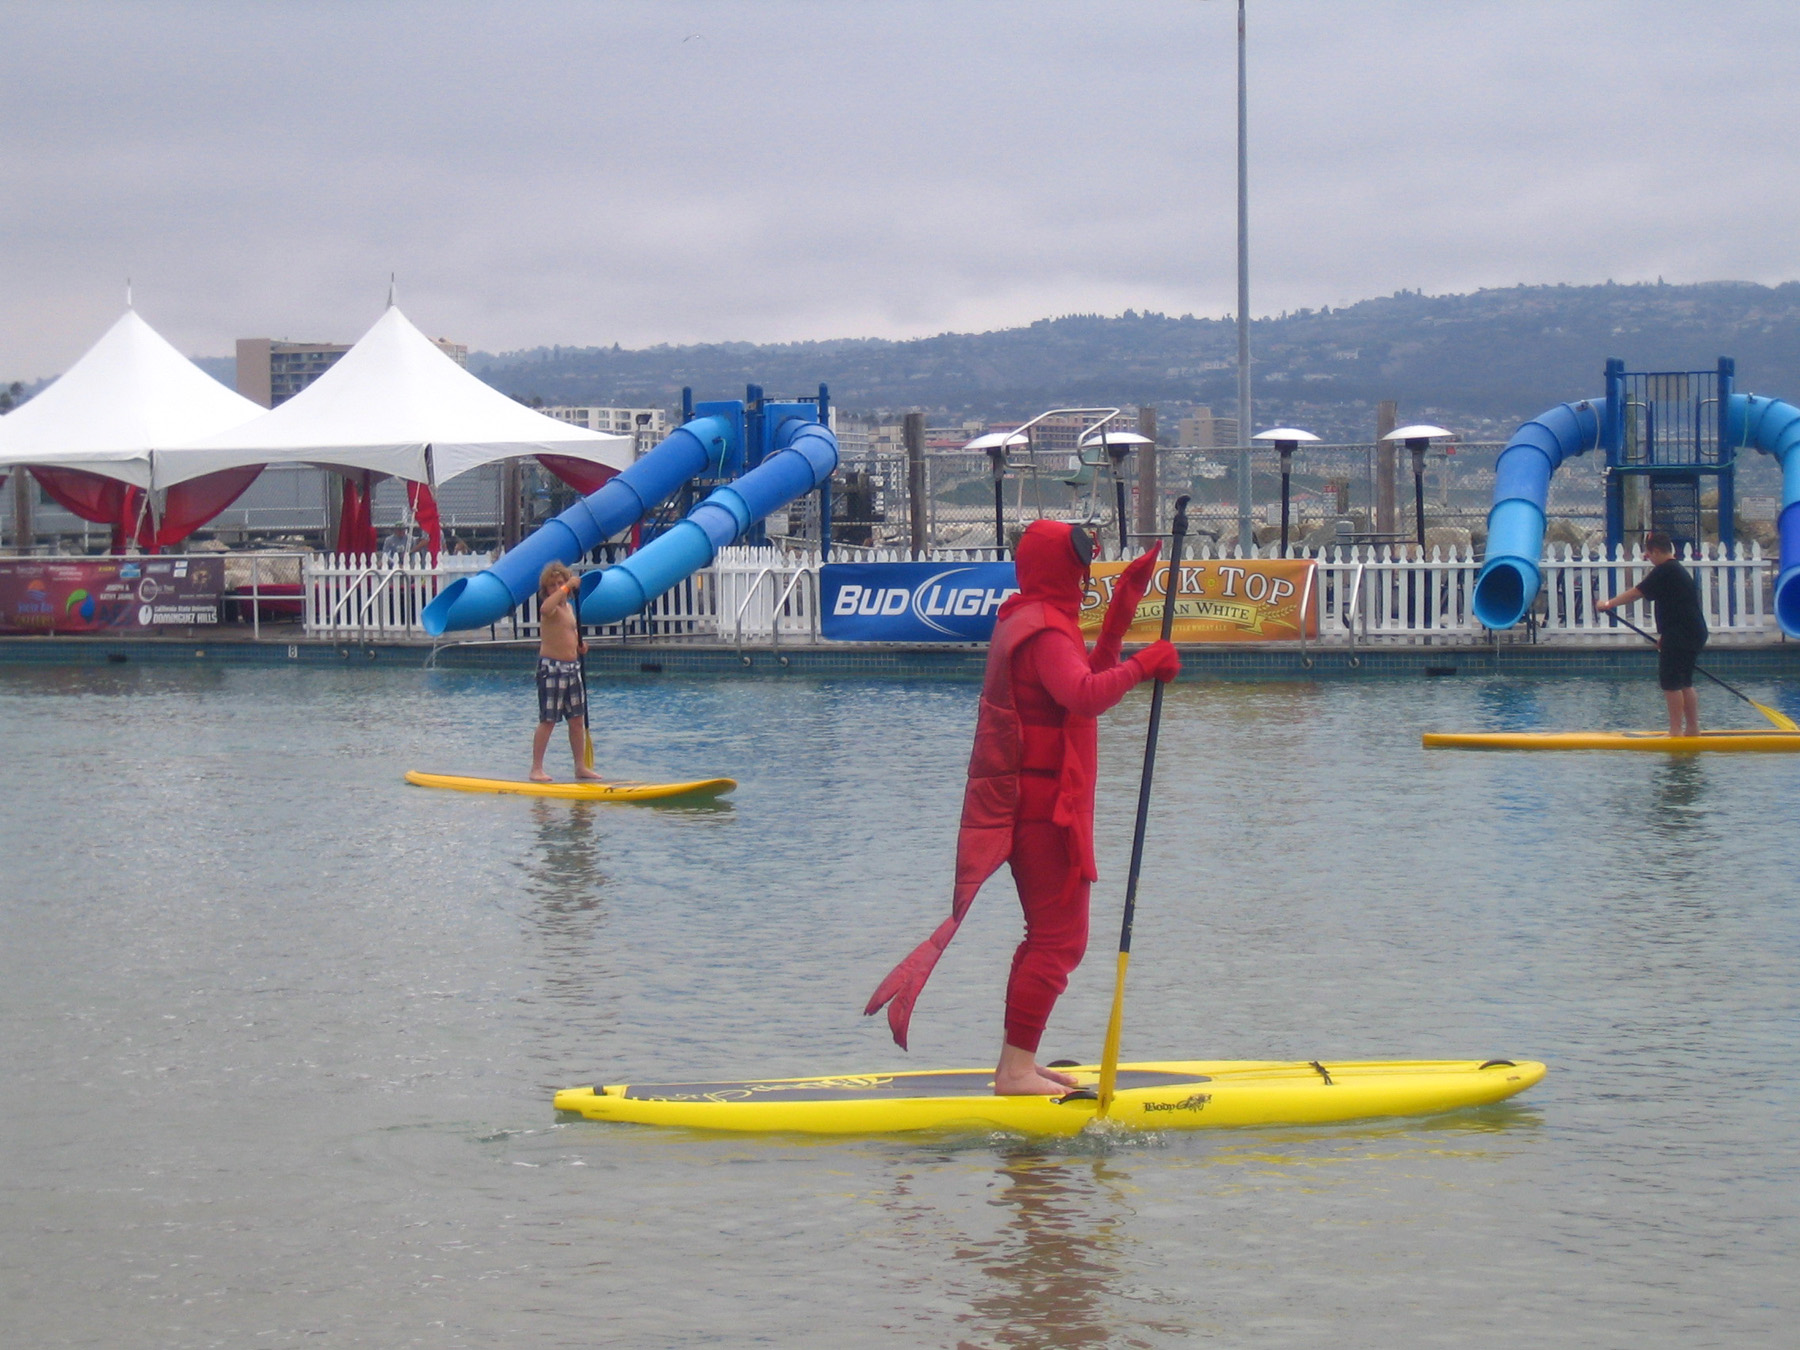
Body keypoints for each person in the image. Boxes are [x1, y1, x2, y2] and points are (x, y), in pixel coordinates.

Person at [865, 519, 1181, 1095]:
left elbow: (1082, 683)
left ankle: (1017, 1062)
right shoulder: (1045, 632)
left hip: (1039, 805)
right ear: (1061, 570)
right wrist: (1146, 665)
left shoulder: (1030, 618)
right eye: (1080, 566)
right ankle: (1014, 1071)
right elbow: (1085, 695)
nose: (1086, 577)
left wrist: (1122, 612)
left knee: (1051, 936)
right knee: (1059, 940)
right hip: (1043, 812)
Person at [1595, 530, 1708, 737]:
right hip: (1691, 632)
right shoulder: (1676, 571)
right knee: (1685, 682)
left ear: (1656, 551)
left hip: (1681, 633)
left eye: (1648, 554)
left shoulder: (1665, 570)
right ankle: (1692, 730)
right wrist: (1665, 637)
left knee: (1671, 683)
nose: (1648, 558)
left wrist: (1608, 604)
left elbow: (1637, 593)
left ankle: (1675, 732)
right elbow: (1678, 608)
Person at [530, 562, 601, 783]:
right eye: (553, 585)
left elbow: (569, 632)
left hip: (572, 668)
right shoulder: (549, 607)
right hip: (552, 668)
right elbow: (544, 609)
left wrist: (581, 645)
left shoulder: (569, 607)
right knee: (549, 720)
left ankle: (580, 766)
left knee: (577, 720)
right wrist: (566, 586)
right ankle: (536, 768)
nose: (558, 587)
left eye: (560, 583)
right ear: (547, 589)